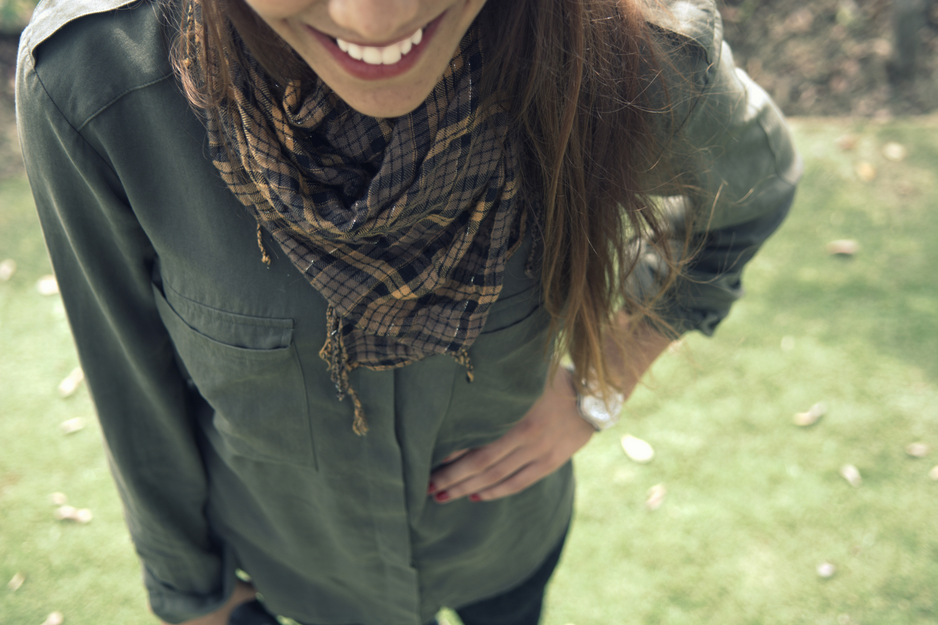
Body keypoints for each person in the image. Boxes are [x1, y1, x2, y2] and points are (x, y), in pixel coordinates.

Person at [16, 0, 801, 623]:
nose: (373, 19)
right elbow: (130, 377)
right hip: (292, 565)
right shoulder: (96, 80)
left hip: (503, 543)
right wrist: (193, 596)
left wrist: (601, 384)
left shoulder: (628, 43)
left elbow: (750, 195)